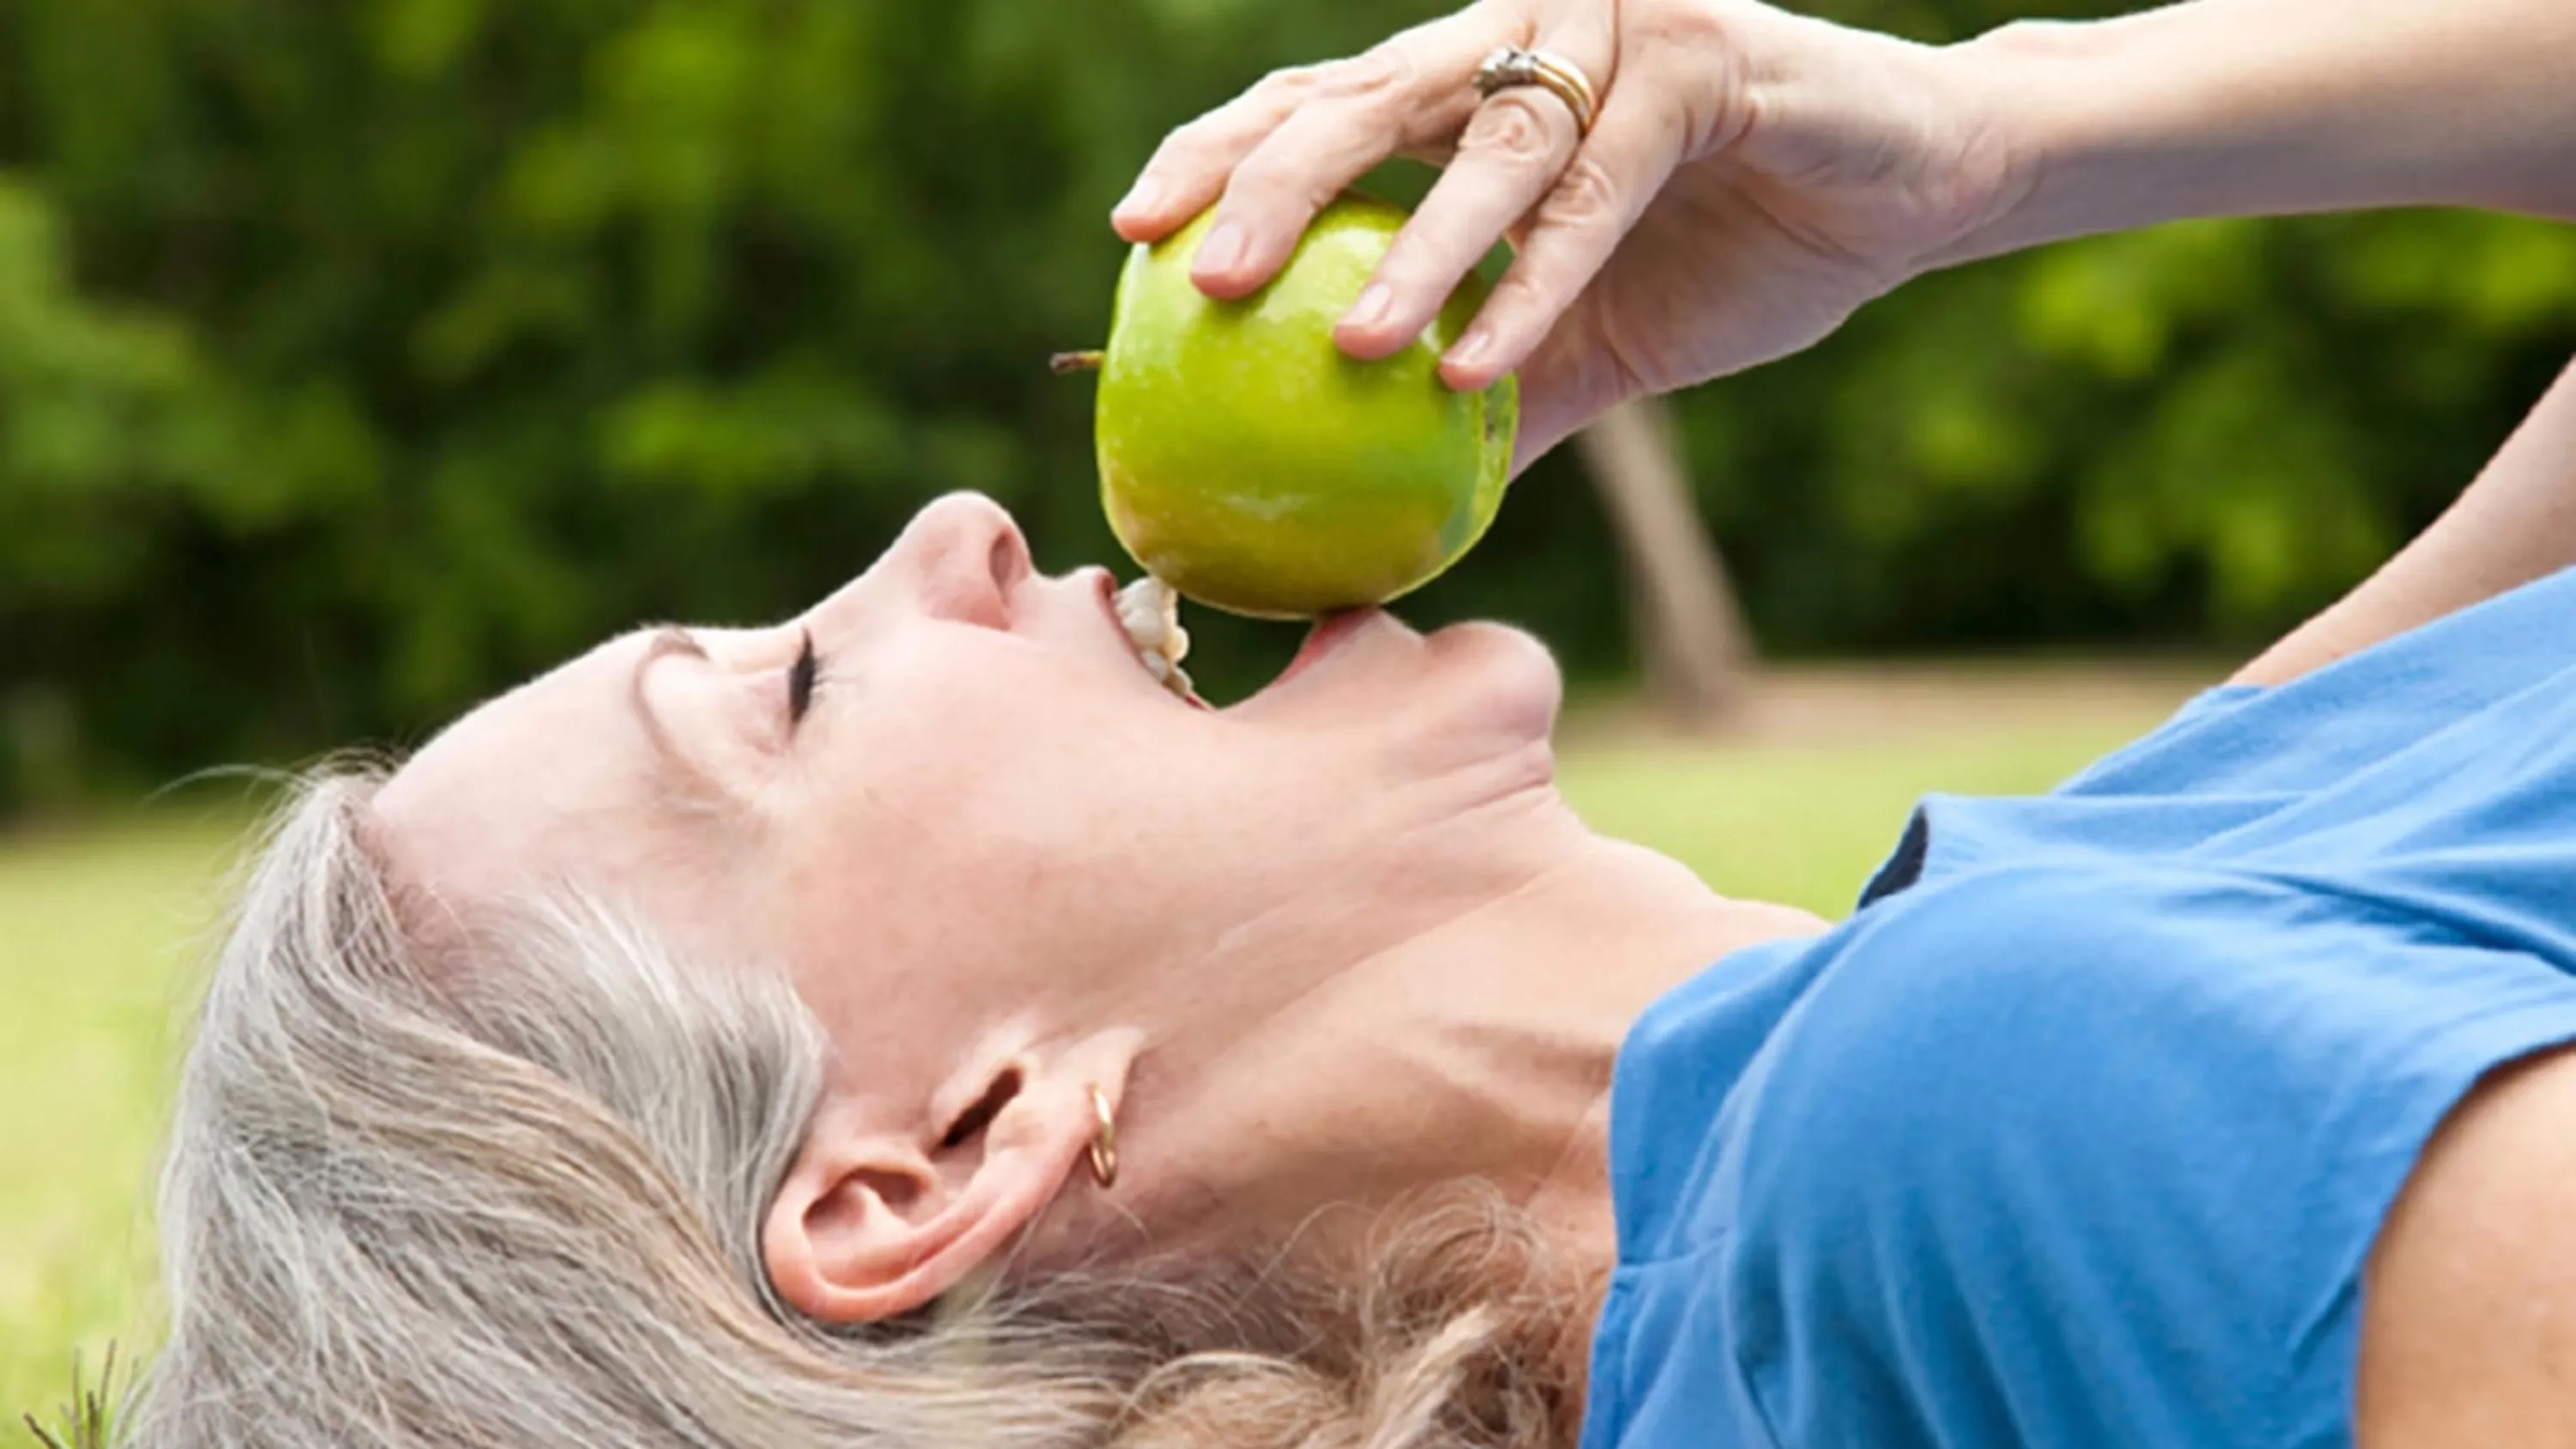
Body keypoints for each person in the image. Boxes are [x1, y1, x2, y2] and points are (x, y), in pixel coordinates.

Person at [125, 0, 2576, 1446]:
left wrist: (1975, 141)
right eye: (778, 691)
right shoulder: (1984, 1106)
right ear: (926, 1163)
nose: (958, 528)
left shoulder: (2079, 974)